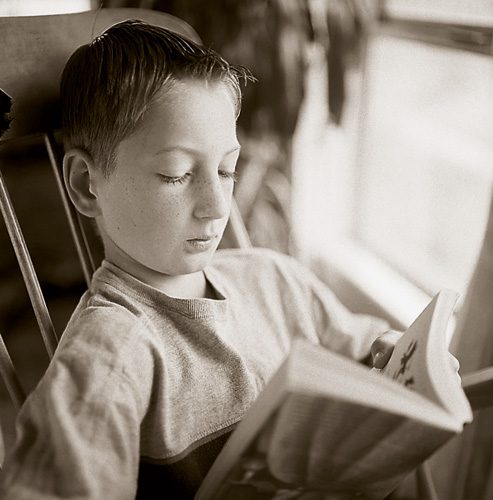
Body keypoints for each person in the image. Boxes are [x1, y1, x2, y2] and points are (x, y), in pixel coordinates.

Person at [0, 20, 399, 499]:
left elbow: (365, 344)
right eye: (176, 174)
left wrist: (398, 353)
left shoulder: (275, 279)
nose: (217, 205)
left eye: (227, 169)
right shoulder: (106, 364)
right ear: (88, 184)